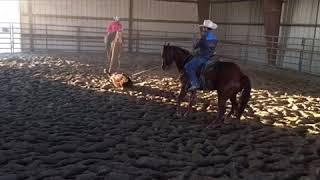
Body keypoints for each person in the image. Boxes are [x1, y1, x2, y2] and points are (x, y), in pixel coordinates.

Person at [184, 19, 218, 91]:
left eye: (203, 27)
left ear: (206, 28)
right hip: (211, 57)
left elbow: (196, 46)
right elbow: (210, 48)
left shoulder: (204, 37)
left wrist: (194, 47)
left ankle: (195, 83)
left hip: (202, 57)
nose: (202, 28)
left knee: (188, 66)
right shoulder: (215, 38)